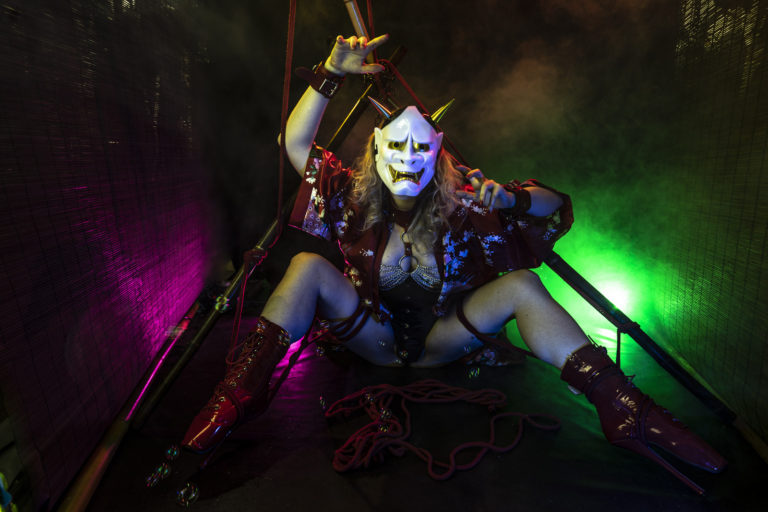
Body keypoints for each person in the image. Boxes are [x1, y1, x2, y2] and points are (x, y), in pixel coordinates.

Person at [182, 34, 726, 490]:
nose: (408, 158)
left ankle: (625, 409)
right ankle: (236, 397)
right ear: (376, 149)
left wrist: (511, 198)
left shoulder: (465, 205)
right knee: (306, 265)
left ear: (438, 151)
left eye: (421, 149)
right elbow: (295, 142)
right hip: (371, 336)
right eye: (397, 148)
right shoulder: (348, 198)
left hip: (445, 342)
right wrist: (329, 73)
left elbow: (554, 206)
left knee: (522, 284)